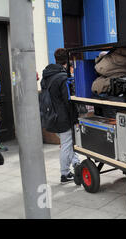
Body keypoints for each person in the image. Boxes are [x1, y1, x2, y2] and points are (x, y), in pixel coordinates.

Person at [41, 48, 80, 183]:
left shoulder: (47, 75)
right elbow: (68, 101)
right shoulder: (62, 77)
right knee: (66, 145)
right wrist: (75, 118)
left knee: (68, 144)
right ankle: (65, 174)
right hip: (62, 117)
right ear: (67, 60)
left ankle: (76, 164)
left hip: (51, 116)